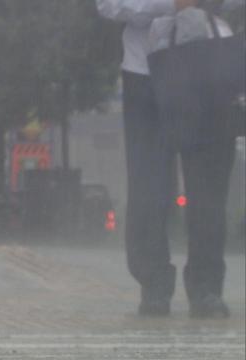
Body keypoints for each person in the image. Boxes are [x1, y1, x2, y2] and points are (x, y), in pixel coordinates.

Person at [97, 0, 244, 318]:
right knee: (149, 186)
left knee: (209, 190)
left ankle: (206, 289)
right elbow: (108, 5)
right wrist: (172, 3)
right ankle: (154, 287)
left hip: (210, 67)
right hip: (146, 73)